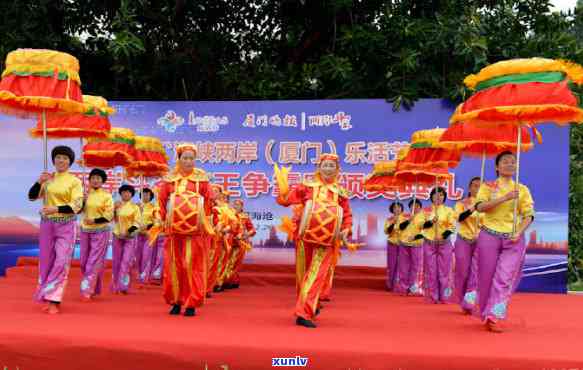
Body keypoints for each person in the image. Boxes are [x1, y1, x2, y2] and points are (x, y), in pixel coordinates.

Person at [276, 153, 353, 328]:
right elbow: (285, 201)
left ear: (337, 169)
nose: (328, 169)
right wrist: (283, 188)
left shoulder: (340, 192)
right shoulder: (307, 186)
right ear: (319, 167)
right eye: (325, 165)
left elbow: (346, 214)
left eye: (331, 166)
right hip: (304, 237)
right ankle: (311, 304)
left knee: (316, 275)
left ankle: (304, 313)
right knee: (303, 275)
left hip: (326, 240)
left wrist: (346, 228)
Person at [475, 151, 534, 332]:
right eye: (505, 161)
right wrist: (504, 198)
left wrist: (519, 231)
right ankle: (486, 312)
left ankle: (495, 315)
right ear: (497, 167)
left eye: (512, 162)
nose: (510, 164)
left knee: (504, 277)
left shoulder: (521, 189)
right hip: (489, 236)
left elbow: (528, 215)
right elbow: (480, 207)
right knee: (486, 277)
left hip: (512, 238)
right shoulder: (488, 186)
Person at [156, 143, 214, 316]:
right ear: (179, 159)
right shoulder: (169, 180)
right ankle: (176, 301)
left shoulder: (201, 180)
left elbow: (209, 203)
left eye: (191, 159)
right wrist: (161, 220)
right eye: (185, 158)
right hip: (174, 232)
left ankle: (191, 302)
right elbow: (161, 203)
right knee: (174, 266)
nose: (189, 162)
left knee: (192, 266)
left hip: (195, 232)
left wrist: (205, 223)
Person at [28, 145, 83, 314]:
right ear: (53, 160)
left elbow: (77, 205)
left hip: (66, 225)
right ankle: (47, 295)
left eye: (65, 158)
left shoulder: (75, 181)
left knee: (61, 261)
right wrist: (39, 181)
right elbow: (32, 196)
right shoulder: (48, 179)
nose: (61, 160)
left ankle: (54, 299)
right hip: (47, 225)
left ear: (70, 162)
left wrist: (56, 209)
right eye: (58, 157)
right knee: (45, 262)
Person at [79, 168, 114, 301]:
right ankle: (94, 286)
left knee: (93, 262)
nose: (95, 180)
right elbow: (77, 210)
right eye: (93, 178)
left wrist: (94, 220)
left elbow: (109, 215)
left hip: (101, 230)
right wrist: (82, 200)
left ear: (103, 181)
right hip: (85, 231)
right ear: (89, 180)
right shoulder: (85, 194)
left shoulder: (107, 196)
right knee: (83, 261)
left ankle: (86, 290)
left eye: (98, 178)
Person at [422, 187, 455, 304]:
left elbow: (452, 226)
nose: (438, 197)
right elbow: (421, 226)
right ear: (431, 197)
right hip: (429, 242)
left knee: (444, 270)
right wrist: (431, 222)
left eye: (441, 195)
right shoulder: (425, 211)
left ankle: (445, 296)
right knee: (431, 270)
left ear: (444, 197)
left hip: (444, 243)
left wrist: (443, 236)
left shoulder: (449, 210)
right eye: (436, 195)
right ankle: (432, 296)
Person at [454, 177, 482, 314]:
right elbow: (459, 218)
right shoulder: (461, 203)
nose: (477, 188)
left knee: (476, 272)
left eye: (479, 186)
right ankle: (462, 300)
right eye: (474, 186)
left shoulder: (487, 204)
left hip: (481, 241)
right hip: (463, 239)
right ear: (470, 188)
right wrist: (472, 208)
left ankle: (470, 301)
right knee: (463, 271)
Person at [111, 184, 141, 294]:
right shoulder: (117, 205)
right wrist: (114, 209)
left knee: (126, 261)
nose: (126, 194)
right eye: (123, 192)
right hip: (117, 235)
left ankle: (123, 286)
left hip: (130, 237)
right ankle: (115, 285)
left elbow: (137, 222)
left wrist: (129, 231)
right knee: (116, 261)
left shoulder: (135, 207)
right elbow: (112, 219)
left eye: (128, 192)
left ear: (132, 194)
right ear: (120, 194)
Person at [224, 199, 256, 289]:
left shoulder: (245, 217)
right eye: (234, 204)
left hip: (240, 243)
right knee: (227, 262)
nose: (235, 206)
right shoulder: (229, 215)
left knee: (235, 263)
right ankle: (225, 280)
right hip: (228, 242)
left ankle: (232, 281)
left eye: (238, 205)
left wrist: (245, 235)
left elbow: (252, 230)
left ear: (242, 206)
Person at [395, 199, 423, 296]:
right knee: (403, 266)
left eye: (417, 206)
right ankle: (403, 288)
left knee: (416, 266)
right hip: (404, 244)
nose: (415, 208)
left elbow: (426, 231)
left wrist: (416, 237)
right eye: (413, 206)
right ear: (410, 207)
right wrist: (408, 220)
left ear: (420, 208)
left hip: (417, 244)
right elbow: (399, 228)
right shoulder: (403, 216)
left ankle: (414, 288)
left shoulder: (423, 217)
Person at [383, 201, 405, 291]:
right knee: (392, 265)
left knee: (402, 265)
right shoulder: (389, 220)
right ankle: (390, 285)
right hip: (392, 244)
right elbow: (387, 231)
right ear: (392, 209)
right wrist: (393, 223)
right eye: (395, 207)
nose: (397, 209)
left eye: (399, 207)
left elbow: (406, 230)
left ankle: (399, 285)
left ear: (401, 209)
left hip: (403, 245)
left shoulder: (405, 219)